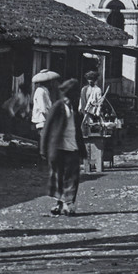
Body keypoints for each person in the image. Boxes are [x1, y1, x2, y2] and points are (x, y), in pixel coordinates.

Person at [41, 76, 86, 215]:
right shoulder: (57, 107)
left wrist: (83, 150)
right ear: (69, 93)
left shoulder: (75, 110)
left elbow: (78, 131)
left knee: (72, 177)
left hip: (72, 148)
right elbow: (47, 129)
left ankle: (68, 204)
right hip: (58, 149)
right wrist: (43, 149)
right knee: (58, 177)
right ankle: (59, 204)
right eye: (75, 94)